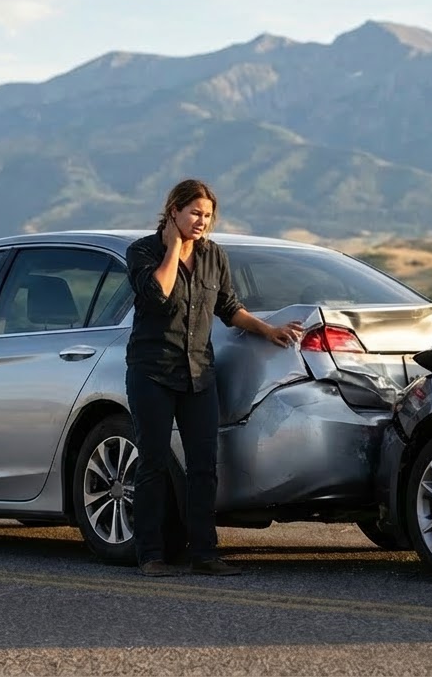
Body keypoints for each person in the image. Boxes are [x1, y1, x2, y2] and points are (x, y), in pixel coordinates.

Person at [125, 178, 304, 577]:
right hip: (152, 373)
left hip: (198, 375)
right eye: (194, 213)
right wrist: (173, 247)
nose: (202, 222)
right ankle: (150, 554)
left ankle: (204, 554)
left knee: (204, 466)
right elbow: (158, 294)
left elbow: (229, 308)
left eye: (207, 216)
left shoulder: (214, 256)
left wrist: (268, 330)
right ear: (173, 211)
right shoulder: (142, 251)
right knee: (153, 463)